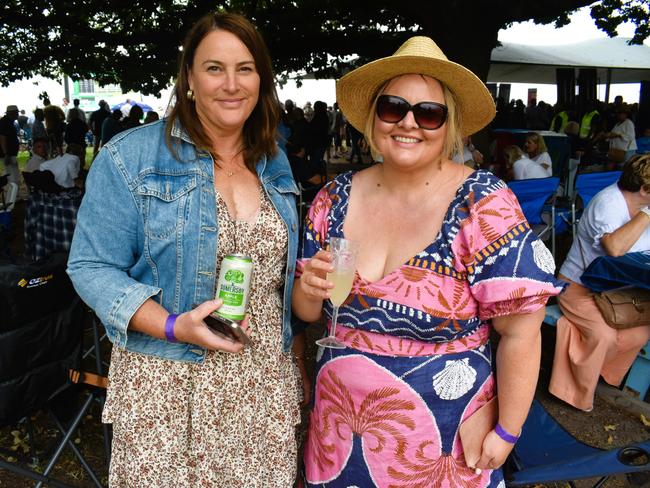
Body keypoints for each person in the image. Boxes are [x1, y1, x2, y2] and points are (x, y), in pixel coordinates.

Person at [293, 36, 564, 487]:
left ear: (449, 125)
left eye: (429, 113)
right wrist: (307, 289)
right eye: (393, 108)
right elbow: (308, 313)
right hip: (339, 436)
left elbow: (521, 331)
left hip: (446, 439)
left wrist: (507, 430)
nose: (409, 123)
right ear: (374, 116)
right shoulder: (332, 199)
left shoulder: (483, 204)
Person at [67, 13, 302, 487]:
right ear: (189, 78)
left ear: (262, 79)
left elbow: (278, 284)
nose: (231, 84)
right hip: (168, 385)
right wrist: (174, 326)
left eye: (246, 68)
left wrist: (296, 364)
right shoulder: (130, 156)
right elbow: (91, 266)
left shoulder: (273, 160)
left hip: (261, 388)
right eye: (214, 68)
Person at [549, 155, 650, 412]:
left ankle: (603, 377)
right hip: (578, 285)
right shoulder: (608, 203)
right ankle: (572, 392)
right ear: (645, 190)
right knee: (603, 335)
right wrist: (646, 214)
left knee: (640, 331)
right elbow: (614, 248)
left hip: (620, 291)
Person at [0, 105, 21, 187]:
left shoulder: (8, 121)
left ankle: (13, 193)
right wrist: (6, 154)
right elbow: (2, 138)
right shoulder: (5, 122)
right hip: (8, 153)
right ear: (13, 113)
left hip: (9, 153)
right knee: (13, 175)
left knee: (10, 173)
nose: (18, 115)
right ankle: (14, 194)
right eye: (17, 113)